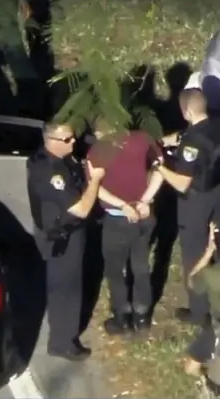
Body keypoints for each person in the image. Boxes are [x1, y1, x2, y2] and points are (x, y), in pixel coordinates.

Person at [26, 123, 105, 361]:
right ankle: (63, 342)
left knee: (66, 286)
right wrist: (95, 180)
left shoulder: (52, 159)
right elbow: (80, 209)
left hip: (63, 232)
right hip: (61, 237)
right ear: (51, 140)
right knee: (66, 290)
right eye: (68, 139)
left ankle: (63, 337)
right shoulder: (51, 172)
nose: (73, 142)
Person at [86, 118, 164, 336]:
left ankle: (122, 320)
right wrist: (146, 200)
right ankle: (142, 317)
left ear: (100, 133)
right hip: (144, 217)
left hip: (117, 219)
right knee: (140, 266)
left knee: (115, 270)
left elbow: (96, 189)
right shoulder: (143, 139)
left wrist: (123, 205)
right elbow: (160, 170)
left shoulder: (98, 150)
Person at [151, 88, 220, 325]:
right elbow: (187, 135)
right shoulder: (214, 124)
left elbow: (181, 183)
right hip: (216, 194)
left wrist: (159, 166)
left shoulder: (192, 141)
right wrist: (166, 140)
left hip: (196, 201)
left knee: (193, 253)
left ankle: (199, 312)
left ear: (187, 111)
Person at [184, 219, 220, 398]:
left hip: (217, 328)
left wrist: (208, 252)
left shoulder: (212, 275)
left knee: (191, 367)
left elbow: (191, 280)